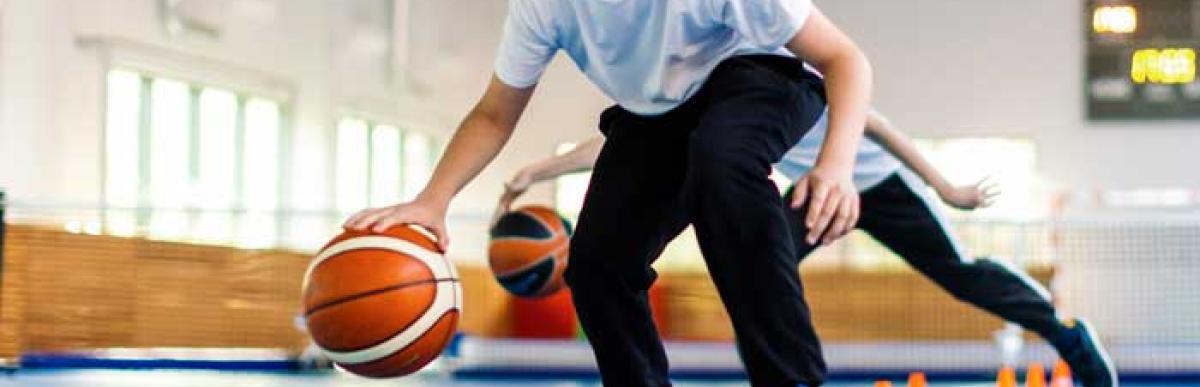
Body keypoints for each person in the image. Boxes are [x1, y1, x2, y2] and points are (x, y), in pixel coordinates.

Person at [345, 0, 873, 385]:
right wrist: (433, 201)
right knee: (597, 266)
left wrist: (836, 166)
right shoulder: (544, 7)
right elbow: (494, 113)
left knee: (722, 161)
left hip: (766, 73)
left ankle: (790, 376)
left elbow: (846, 60)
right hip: (660, 112)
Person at [496, 108, 1118, 387]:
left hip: (870, 183)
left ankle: (1066, 335)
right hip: (815, 193)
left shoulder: (787, 62)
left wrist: (946, 185)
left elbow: (874, 123)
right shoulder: (712, 92)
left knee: (958, 273)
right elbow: (628, 146)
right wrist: (540, 171)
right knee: (756, 275)